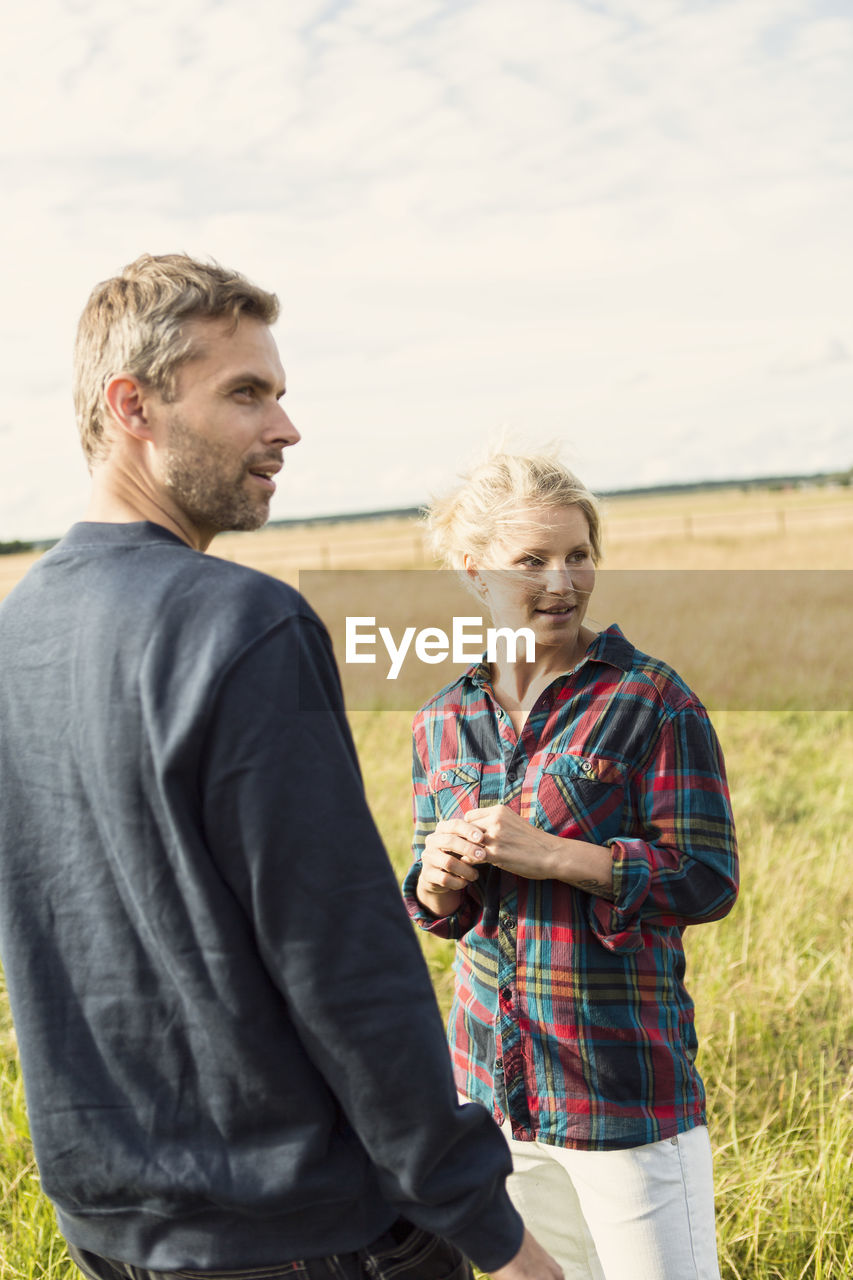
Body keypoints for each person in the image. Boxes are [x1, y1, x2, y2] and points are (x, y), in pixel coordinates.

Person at [0, 256, 562, 1280]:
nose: (286, 429)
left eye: (282, 393)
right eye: (245, 393)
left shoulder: (17, 629)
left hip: (113, 1228)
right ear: (135, 406)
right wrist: (489, 1227)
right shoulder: (243, 624)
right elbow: (344, 963)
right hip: (301, 1228)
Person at [403, 450, 739, 1280]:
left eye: (579, 554)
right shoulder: (440, 721)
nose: (564, 579)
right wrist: (435, 880)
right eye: (532, 561)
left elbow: (705, 877)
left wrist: (556, 855)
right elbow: (434, 905)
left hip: (623, 1096)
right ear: (475, 573)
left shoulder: (651, 700)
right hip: (492, 1093)